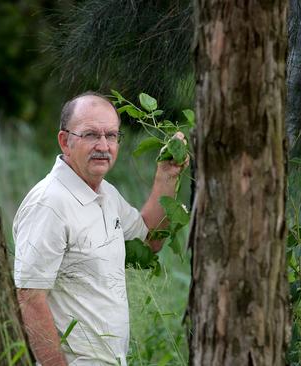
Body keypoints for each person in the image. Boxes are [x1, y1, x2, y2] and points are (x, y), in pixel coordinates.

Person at [13, 91, 187, 365]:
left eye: (112, 135)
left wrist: (167, 176)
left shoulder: (107, 194)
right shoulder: (49, 203)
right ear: (65, 141)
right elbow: (29, 298)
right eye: (91, 135)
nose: (103, 145)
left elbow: (149, 241)